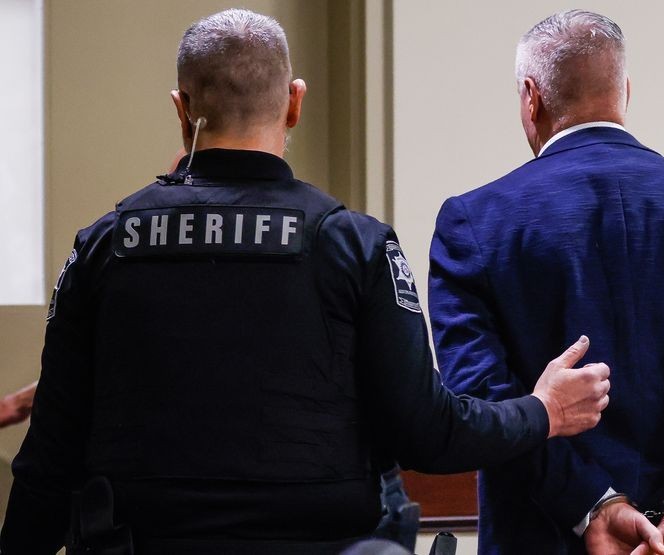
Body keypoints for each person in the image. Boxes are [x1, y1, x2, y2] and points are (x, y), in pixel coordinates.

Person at [0, 9, 612, 554]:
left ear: (181, 108)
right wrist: (543, 411)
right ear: (295, 101)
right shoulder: (355, 244)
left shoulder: (106, 245)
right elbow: (428, 434)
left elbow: (48, 461)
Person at [428, 9, 664, 555]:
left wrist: (591, 504)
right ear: (624, 91)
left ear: (530, 97)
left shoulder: (474, 221)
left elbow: (483, 394)